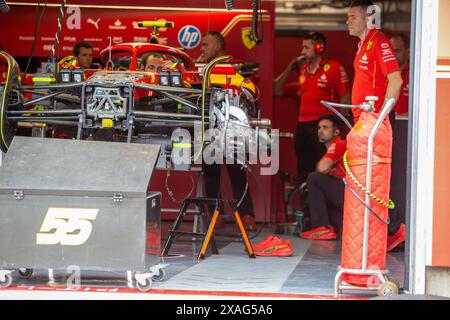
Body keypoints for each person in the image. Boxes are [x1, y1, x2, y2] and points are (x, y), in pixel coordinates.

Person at [274, 32, 351, 185]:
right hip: (303, 126)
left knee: (323, 168)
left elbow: (346, 98)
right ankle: (305, 206)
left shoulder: (334, 67)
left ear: (319, 48)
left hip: (322, 125)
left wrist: (337, 124)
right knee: (303, 169)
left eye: (306, 48)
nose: (302, 52)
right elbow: (275, 90)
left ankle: (324, 204)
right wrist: (291, 66)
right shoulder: (303, 71)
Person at [199, 31, 256, 230]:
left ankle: (246, 216)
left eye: (206, 44)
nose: (202, 48)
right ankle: (216, 216)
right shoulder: (199, 70)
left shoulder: (232, 70)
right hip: (209, 128)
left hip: (232, 129)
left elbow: (252, 91)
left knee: (237, 173)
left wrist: (243, 91)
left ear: (217, 47)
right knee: (212, 174)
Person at [347, 0, 403, 123]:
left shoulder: (379, 41)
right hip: (363, 118)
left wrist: (382, 113)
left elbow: (396, 80)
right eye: (348, 17)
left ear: (367, 19)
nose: (348, 21)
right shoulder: (362, 44)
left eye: (353, 17)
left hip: (374, 117)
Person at [300, 115, 347, 240]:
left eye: (325, 127)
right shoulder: (331, 148)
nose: (320, 130)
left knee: (314, 178)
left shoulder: (339, 143)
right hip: (344, 199)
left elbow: (322, 168)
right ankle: (327, 228)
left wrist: (320, 168)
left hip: (349, 194)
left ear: (336, 132)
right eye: (319, 127)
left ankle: (322, 228)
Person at [386, 33, 410, 251]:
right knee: (390, 181)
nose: (394, 55)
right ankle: (393, 229)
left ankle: (400, 228)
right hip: (390, 127)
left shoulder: (415, 73)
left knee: (402, 182)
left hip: (409, 130)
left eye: (399, 51)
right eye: (391, 51)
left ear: (408, 52)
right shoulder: (387, 75)